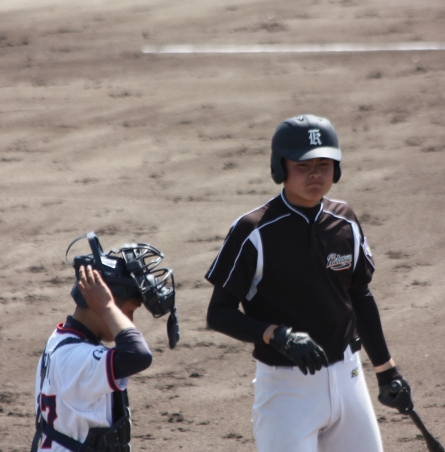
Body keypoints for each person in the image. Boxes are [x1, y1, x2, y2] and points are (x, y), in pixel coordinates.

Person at [205, 114, 413, 452]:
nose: (315, 174)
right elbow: (219, 313)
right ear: (280, 168)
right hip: (287, 391)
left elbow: (359, 296)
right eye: (303, 165)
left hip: (349, 380)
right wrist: (277, 335)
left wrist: (386, 370)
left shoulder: (345, 221)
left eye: (323, 164)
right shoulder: (253, 231)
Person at [31, 232, 179, 452]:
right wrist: (108, 307)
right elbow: (138, 356)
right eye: (129, 311)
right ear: (98, 303)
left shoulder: (61, 339)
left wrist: (107, 307)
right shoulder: (75, 358)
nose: (129, 322)